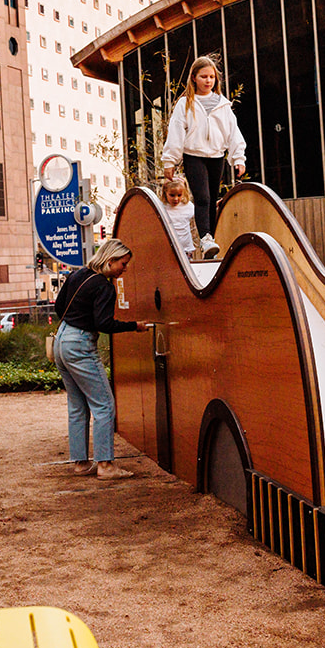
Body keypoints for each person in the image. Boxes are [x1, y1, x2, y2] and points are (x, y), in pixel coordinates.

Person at [52, 238, 149, 479]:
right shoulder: (104, 286)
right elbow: (104, 324)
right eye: (123, 264)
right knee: (104, 405)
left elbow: (59, 306)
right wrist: (134, 326)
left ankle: (81, 463)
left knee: (77, 405)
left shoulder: (78, 274)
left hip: (61, 341)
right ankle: (106, 465)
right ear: (110, 260)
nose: (125, 269)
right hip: (81, 345)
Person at [160, 57, 246, 259]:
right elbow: (176, 132)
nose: (208, 81)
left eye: (212, 77)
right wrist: (169, 161)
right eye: (203, 77)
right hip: (194, 155)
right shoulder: (185, 103)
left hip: (217, 156)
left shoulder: (223, 104)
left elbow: (233, 132)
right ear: (194, 78)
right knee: (202, 198)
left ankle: (210, 244)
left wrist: (238, 158)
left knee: (211, 200)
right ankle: (206, 239)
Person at [160, 176, 197, 257]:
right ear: (165, 193)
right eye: (172, 195)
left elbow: (202, 214)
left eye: (179, 195)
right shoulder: (161, 207)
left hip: (186, 249)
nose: (176, 199)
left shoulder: (188, 206)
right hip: (168, 249)